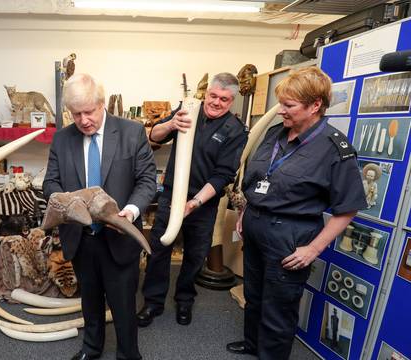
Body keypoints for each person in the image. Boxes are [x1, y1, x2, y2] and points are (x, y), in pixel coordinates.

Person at [226, 67, 366, 359]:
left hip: (289, 236)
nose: (281, 112)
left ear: (315, 105)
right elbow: (259, 181)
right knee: (254, 295)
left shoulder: (334, 148)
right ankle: (253, 344)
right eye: (281, 104)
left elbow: (347, 209)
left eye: (289, 105)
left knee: (279, 306)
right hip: (255, 225)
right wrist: (245, 214)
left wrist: (313, 249)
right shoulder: (276, 135)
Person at [43, 73, 156, 360]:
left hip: (120, 235)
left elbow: (146, 181)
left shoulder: (131, 132)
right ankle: (91, 348)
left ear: (102, 103)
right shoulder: (62, 139)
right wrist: (64, 203)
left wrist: (130, 212)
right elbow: (50, 183)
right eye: (76, 114)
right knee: (90, 301)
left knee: (123, 304)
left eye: (89, 112)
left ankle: (128, 354)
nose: (83, 120)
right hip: (81, 238)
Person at [137, 73, 248, 327]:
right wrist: (172, 124)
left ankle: (185, 300)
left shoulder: (236, 130)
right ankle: (152, 302)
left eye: (224, 99)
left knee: (196, 256)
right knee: (158, 250)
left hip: (203, 202)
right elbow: (154, 136)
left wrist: (195, 203)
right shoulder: (187, 109)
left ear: (231, 102)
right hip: (171, 197)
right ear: (206, 93)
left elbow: (223, 176)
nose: (216, 102)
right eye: (213, 96)